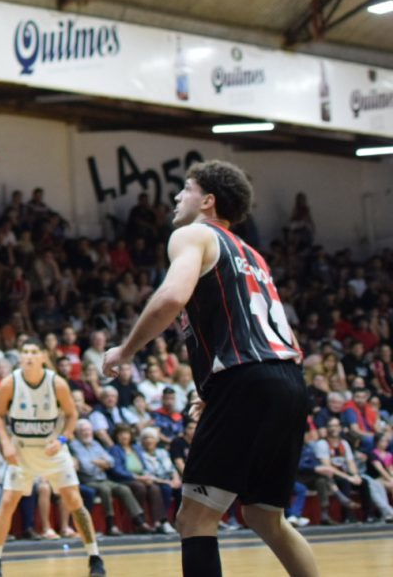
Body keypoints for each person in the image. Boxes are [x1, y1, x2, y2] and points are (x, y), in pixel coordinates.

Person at [102, 161, 316, 577]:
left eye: (186, 189)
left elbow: (171, 297)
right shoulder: (253, 256)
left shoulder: (193, 234)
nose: (177, 196)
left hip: (245, 380)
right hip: (288, 382)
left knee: (195, 518)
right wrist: (216, 389)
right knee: (265, 516)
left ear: (208, 201)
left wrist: (125, 351)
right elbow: (280, 337)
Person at [0, 340, 105, 577]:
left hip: (52, 451)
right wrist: (6, 442)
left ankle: (95, 557)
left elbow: (72, 415)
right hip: (22, 451)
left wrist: (62, 440)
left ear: (42, 356)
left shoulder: (57, 383)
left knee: (74, 501)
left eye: (33, 352)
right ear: (20, 357)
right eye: (25, 352)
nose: (29, 356)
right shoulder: (10, 383)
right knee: (7, 501)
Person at [69, 419, 148, 535]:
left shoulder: (96, 444)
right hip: (88, 481)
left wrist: (100, 463)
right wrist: (102, 463)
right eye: (83, 431)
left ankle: (138, 520)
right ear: (77, 433)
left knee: (124, 489)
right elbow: (86, 467)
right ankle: (111, 524)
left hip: (103, 479)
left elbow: (111, 461)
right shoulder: (74, 445)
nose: (86, 433)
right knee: (105, 489)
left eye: (88, 430)